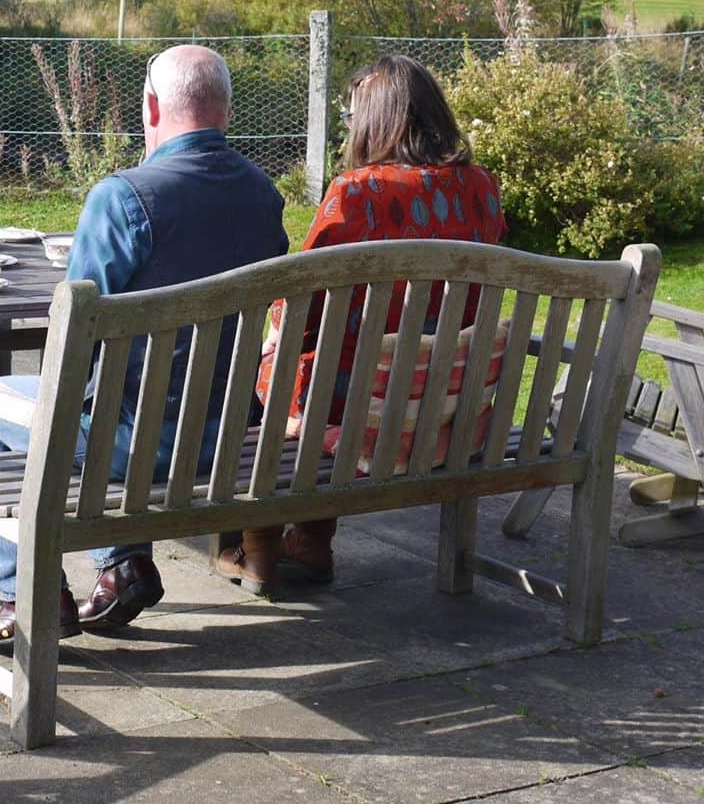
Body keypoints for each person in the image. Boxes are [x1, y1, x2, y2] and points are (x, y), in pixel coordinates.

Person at [0, 44, 289, 648]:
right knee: (110, 399)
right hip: (225, 441)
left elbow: (72, 341)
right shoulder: (263, 194)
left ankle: (26, 593)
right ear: (227, 111)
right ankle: (124, 565)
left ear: (152, 106)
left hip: (140, 450)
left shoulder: (125, 197)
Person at [216, 54, 508, 591]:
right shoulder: (481, 187)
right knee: (334, 361)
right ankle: (311, 542)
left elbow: (301, 299)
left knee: (281, 369)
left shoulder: (358, 192)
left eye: (353, 117)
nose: (351, 129)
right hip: (446, 396)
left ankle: (256, 545)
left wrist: (274, 331)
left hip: (360, 402)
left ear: (380, 120)